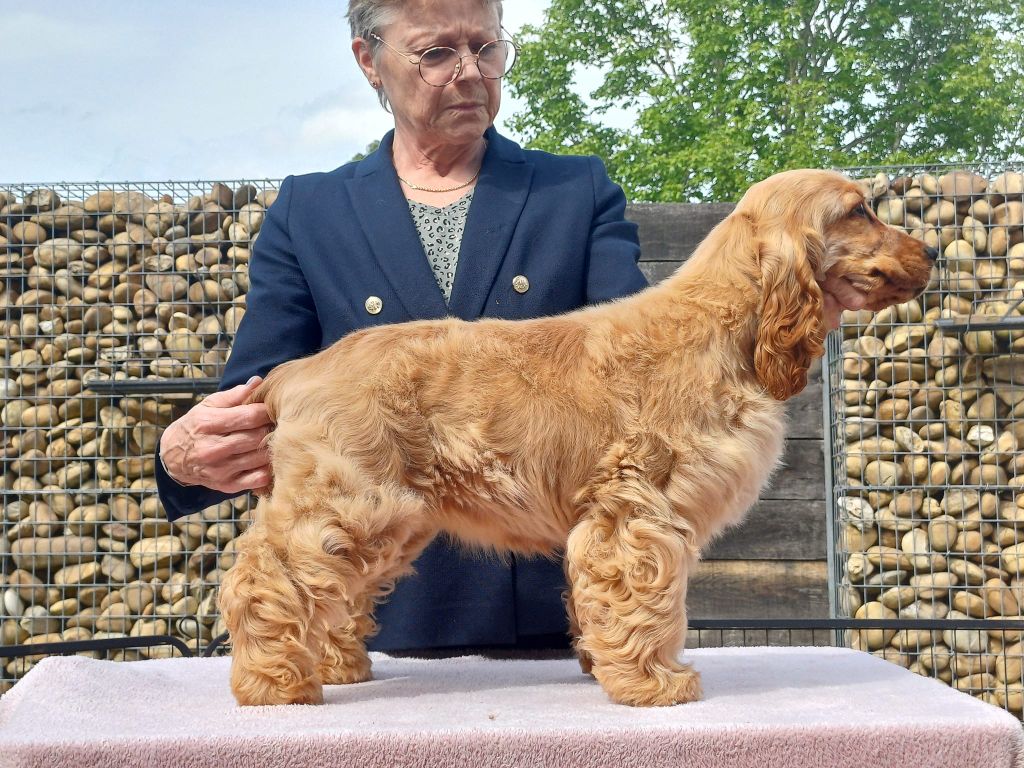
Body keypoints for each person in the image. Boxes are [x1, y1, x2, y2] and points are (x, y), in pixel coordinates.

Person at [156, 0, 866, 653]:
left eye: (485, 47)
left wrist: (785, 309)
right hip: (383, 635)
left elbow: (651, 368)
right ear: (368, 60)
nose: (469, 73)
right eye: (436, 53)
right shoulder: (308, 212)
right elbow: (253, 401)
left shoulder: (575, 189)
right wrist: (180, 459)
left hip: (549, 633)